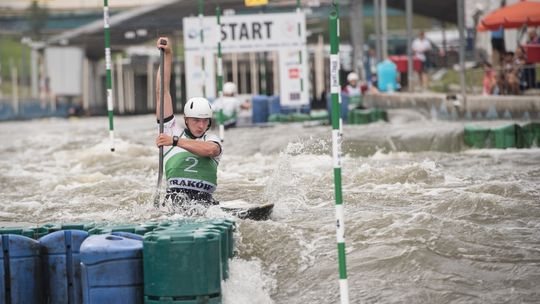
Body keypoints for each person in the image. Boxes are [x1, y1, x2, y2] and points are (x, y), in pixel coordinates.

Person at [154, 37, 223, 206]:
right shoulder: (171, 130)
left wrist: (175, 141)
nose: (201, 126)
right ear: (186, 119)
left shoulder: (211, 140)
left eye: (205, 121)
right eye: (196, 120)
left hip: (204, 203)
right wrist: (168, 54)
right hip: (173, 202)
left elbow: (210, 150)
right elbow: (161, 92)